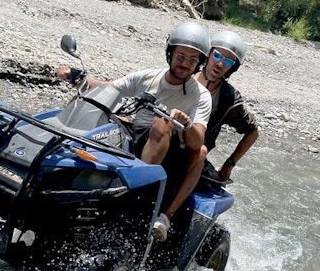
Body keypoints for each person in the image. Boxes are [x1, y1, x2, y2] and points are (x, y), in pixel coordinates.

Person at [56, 21, 212, 242]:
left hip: (171, 152)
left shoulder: (200, 95)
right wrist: (76, 77)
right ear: (170, 54)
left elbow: (197, 141)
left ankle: (139, 198)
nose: (185, 64)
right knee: (93, 110)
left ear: (199, 64)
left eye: (192, 60)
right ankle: (62, 171)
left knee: (162, 123)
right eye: (180, 57)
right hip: (136, 133)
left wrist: (185, 123)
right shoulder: (149, 77)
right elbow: (111, 86)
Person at [193, 30, 259, 183]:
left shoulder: (228, 99)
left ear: (232, 68)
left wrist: (229, 164)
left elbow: (253, 131)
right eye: (217, 55)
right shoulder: (184, 74)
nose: (220, 64)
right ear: (208, 54)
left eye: (228, 62)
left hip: (194, 155)